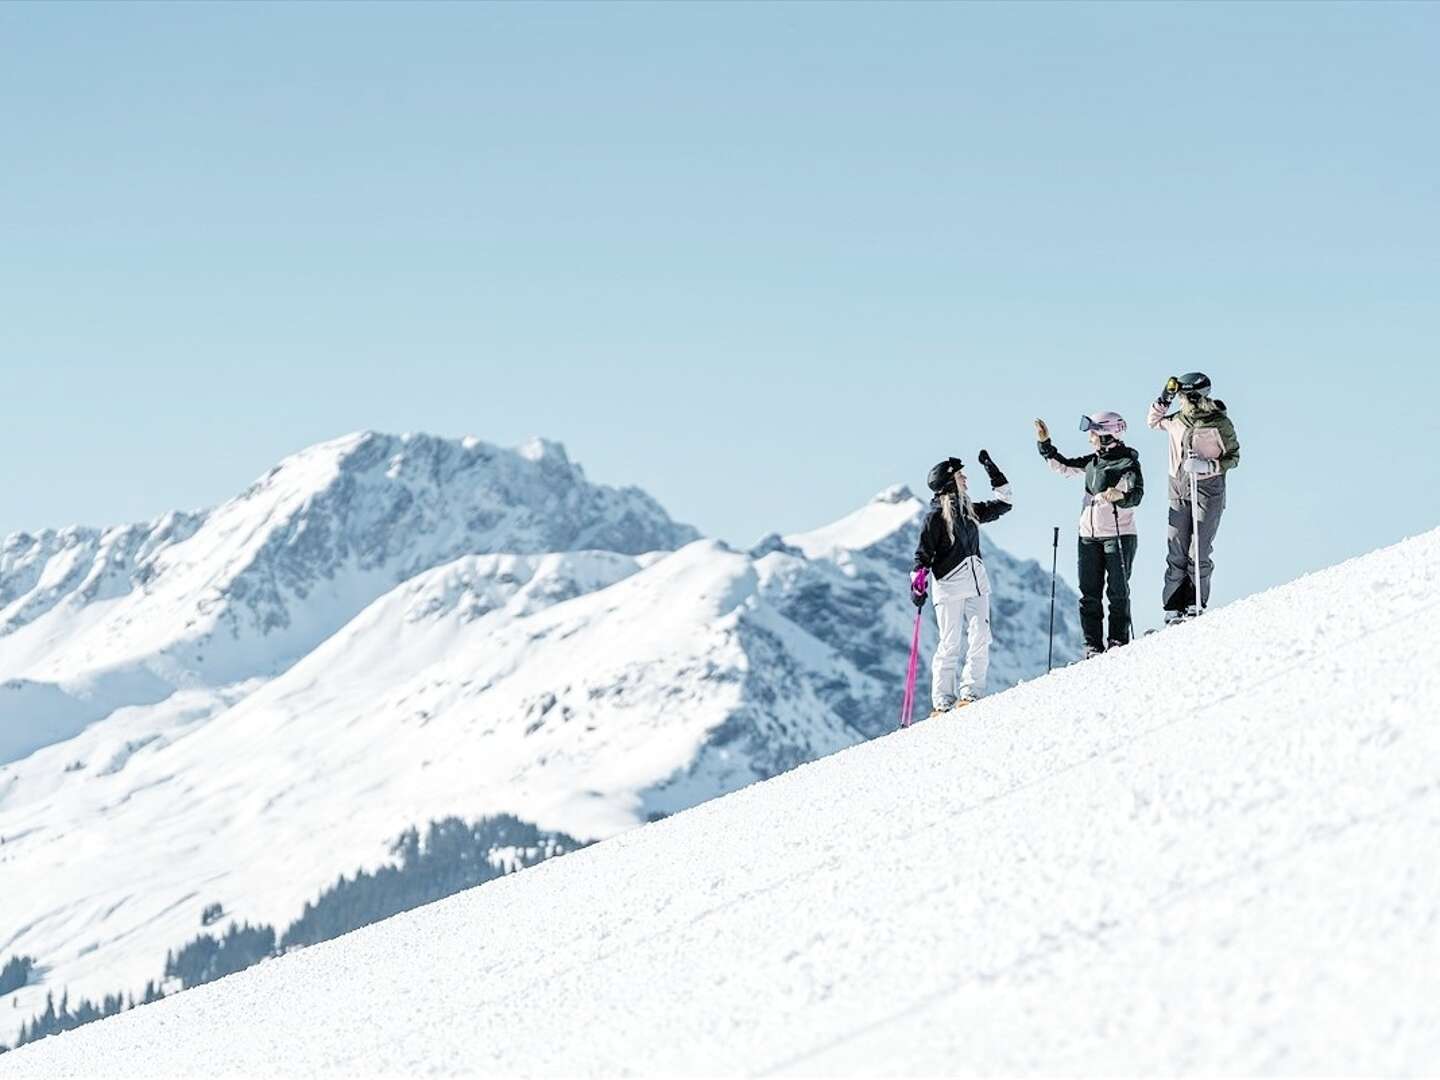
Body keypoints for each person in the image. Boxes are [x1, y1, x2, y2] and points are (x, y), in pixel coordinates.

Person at [910, 451, 1012, 716]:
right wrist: (918, 581)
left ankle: (971, 693)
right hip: (949, 586)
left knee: (981, 636)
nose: (965, 478)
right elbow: (922, 555)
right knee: (950, 643)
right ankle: (942, 702)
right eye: (959, 475)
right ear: (948, 482)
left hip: (977, 584)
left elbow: (1004, 502)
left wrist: (992, 469)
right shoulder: (934, 518)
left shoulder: (970, 510)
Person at [1034, 412, 1144, 657]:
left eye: (1093, 433)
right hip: (1088, 536)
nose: (1090, 438)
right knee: (1089, 593)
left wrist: (1121, 497)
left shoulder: (1127, 463)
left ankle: (1117, 641)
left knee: (1117, 591)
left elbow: (1137, 494)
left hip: (1118, 534)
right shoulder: (1092, 462)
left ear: (1107, 435)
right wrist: (1045, 444)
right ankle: (1092, 646)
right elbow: (1062, 466)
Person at [1147, 372, 1240, 622]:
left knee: (1197, 549)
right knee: (1176, 549)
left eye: (1183, 396)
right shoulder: (1177, 420)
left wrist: (1209, 466)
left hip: (1207, 490)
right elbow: (1153, 421)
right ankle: (1172, 606)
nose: (1181, 401)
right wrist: (1164, 396)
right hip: (1178, 489)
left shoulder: (1219, 423)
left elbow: (1234, 456)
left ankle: (1194, 603)